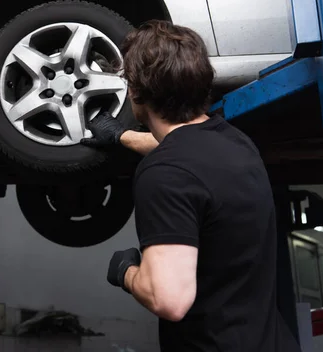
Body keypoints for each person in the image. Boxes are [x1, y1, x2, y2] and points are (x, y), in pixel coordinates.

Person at [81, 20, 300, 351]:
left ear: (136, 92)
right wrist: (120, 136)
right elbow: (185, 153)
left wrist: (126, 271)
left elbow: (170, 300)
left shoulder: (164, 174)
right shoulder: (237, 143)